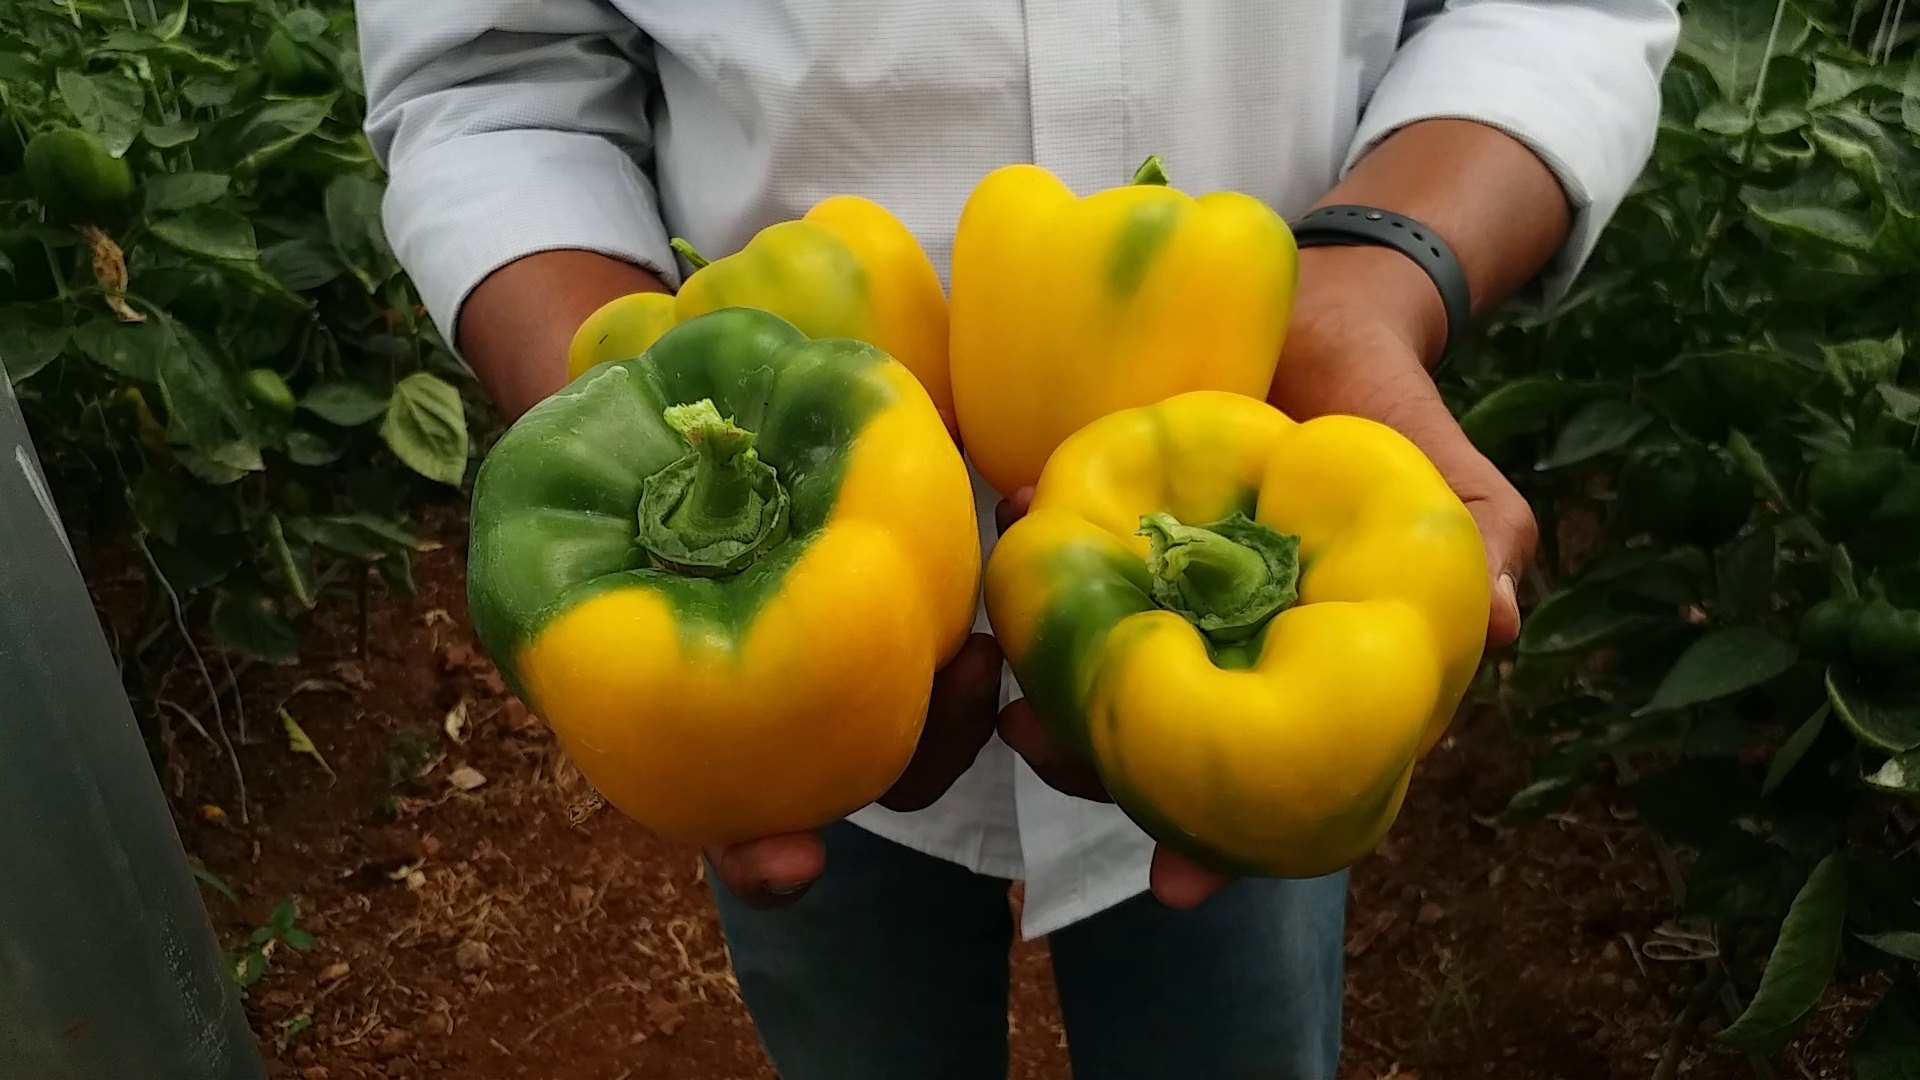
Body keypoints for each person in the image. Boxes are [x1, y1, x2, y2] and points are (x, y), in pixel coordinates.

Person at [359, 3, 1679, 1075]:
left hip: (1261, 578)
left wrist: (1373, 275)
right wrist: (625, 418)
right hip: (764, 666)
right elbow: (491, 75)